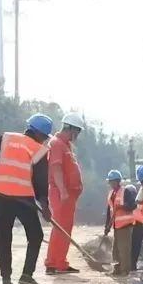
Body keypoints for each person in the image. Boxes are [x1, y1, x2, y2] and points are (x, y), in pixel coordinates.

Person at [0, 113, 53, 284]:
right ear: (41, 135)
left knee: (4, 238)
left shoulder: (7, 138)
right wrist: (45, 206)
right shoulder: (39, 150)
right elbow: (41, 183)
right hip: (23, 199)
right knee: (36, 236)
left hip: (2, 195)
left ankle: (6, 280)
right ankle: (27, 275)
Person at [44, 112, 85, 274]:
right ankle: (52, 263)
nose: (77, 136)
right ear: (71, 129)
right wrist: (62, 190)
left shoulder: (66, 145)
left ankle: (60, 262)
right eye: (77, 132)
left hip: (69, 195)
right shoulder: (56, 144)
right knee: (59, 227)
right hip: (60, 193)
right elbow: (56, 167)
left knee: (65, 228)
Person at [104, 169, 137, 276]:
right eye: (110, 182)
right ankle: (117, 269)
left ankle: (125, 271)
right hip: (116, 225)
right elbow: (110, 212)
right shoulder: (111, 194)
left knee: (124, 250)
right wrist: (107, 226)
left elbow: (133, 205)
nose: (111, 184)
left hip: (125, 225)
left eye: (112, 181)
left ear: (118, 181)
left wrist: (123, 206)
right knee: (116, 250)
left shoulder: (125, 191)